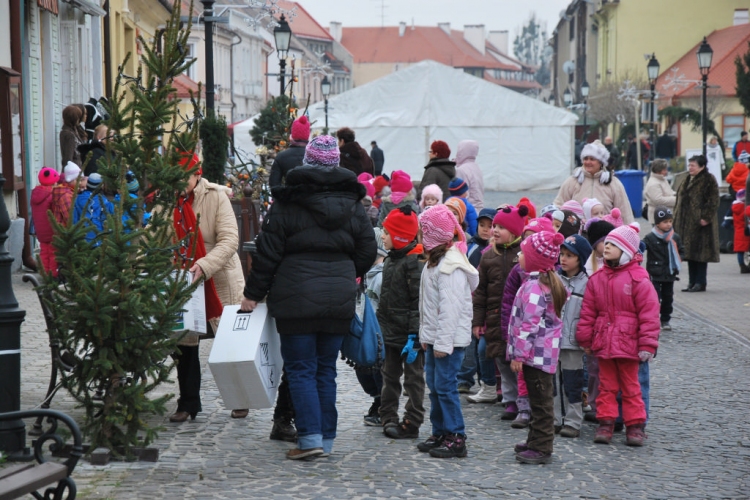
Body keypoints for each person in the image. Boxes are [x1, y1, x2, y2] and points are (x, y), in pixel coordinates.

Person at [241, 135, 377, 460]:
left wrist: (252, 294)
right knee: (325, 369)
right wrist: (347, 272)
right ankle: (325, 439)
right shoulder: (353, 204)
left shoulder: (287, 203)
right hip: (339, 298)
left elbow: (267, 254)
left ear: (307, 162)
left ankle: (310, 439)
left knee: (301, 369)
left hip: (295, 297)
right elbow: (368, 251)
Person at [169, 152, 247, 423]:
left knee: (229, 341)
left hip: (218, 275)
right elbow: (155, 238)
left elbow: (229, 240)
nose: (179, 183)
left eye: (184, 177)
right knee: (184, 342)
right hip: (183, 278)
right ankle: (188, 402)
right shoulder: (167, 201)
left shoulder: (215, 196)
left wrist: (204, 264)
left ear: (197, 174)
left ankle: (240, 397)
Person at [576, 224, 660, 447]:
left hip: (628, 345)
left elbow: (649, 315)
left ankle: (635, 425)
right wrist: (585, 338)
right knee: (606, 386)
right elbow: (588, 312)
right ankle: (606, 422)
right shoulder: (598, 279)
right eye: (607, 243)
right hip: (604, 343)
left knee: (632, 387)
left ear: (626, 250)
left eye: (613, 244)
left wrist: (648, 345)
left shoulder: (639, 279)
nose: (607, 247)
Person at [416, 205, 478, 459]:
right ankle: (440, 430)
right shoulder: (434, 262)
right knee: (434, 385)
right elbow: (427, 305)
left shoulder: (450, 267)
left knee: (445, 387)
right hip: (435, 338)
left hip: (448, 342)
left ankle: (456, 435)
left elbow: (449, 310)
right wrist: (425, 336)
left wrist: (442, 343)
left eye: (422, 231)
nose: (419, 235)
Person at [508, 230, 566, 464]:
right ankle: (534, 440)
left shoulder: (535, 288)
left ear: (535, 260)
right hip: (540, 355)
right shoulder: (537, 283)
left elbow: (528, 325)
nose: (519, 255)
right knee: (537, 399)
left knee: (541, 403)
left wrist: (518, 354)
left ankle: (542, 446)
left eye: (523, 252)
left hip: (535, 356)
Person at [472, 205, 528, 420]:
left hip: (519, 318)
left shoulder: (523, 255)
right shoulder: (488, 257)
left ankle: (524, 400)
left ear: (514, 232)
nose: (494, 230)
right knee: (502, 362)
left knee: (518, 362)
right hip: (495, 317)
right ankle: (510, 400)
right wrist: (478, 321)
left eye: (500, 227)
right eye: (494, 226)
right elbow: (481, 292)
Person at [378, 206, 426, 439]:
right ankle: (387, 416)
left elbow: (418, 302)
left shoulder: (414, 263)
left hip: (408, 335)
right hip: (390, 332)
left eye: (386, 233)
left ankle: (412, 420)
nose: (382, 237)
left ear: (398, 237)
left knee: (413, 379)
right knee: (389, 376)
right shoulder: (392, 259)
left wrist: (415, 335)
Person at [554, 234, 593, 438]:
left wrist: (586, 338)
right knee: (554, 382)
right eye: (562, 254)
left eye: (569, 255)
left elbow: (589, 315)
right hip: (552, 341)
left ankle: (573, 420)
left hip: (573, 342)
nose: (563, 259)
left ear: (581, 259)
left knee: (573, 381)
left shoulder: (587, 284)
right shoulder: (553, 279)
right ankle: (555, 418)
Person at [457, 207, 496, 395]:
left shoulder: (495, 251)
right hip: (469, 301)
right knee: (469, 343)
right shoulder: (470, 247)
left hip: (488, 304)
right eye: (482, 225)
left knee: (483, 343)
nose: (485, 229)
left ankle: (485, 379)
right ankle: (464, 378)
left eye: (490, 226)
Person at [554, 140, 634, 224]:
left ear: (601, 162)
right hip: (577, 234)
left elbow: (624, 212)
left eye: (592, 159)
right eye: (585, 158)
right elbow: (559, 206)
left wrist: (630, 230)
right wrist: (572, 223)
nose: (588, 162)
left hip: (605, 233)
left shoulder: (613, 183)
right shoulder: (572, 181)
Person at [673, 155, 720, 292]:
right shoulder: (686, 178)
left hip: (701, 225)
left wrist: (705, 217)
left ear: (702, 166)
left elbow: (713, 200)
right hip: (686, 224)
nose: (690, 168)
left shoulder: (708, 179)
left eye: (693, 165)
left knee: (700, 255)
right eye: (689, 165)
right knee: (689, 254)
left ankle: (700, 282)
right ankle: (691, 282)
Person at [360, 227, 387, 426]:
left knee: (377, 370)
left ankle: (381, 404)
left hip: (378, 330)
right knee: (364, 369)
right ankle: (377, 399)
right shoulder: (369, 273)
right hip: (368, 328)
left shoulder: (380, 276)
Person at [643, 206, 685, 331]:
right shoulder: (650, 237)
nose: (668, 224)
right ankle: (653, 318)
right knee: (654, 298)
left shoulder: (675, 237)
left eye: (670, 221)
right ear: (657, 223)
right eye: (665, 222)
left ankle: (665, 319)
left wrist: (679, 258)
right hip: (655, 273)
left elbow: (682, 250)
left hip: (669, 274)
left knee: (668, 298)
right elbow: (642, 246)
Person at [31, 167, 61, 276]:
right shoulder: (52, 195)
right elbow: (55, 212)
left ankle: (44, 274)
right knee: (53, 253)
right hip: (51, 229)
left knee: (44, 252)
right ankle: (53, 275)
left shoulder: (35, 194)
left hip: (40, 230)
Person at [72, 172, 114, 245]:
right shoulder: (104, 201)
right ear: (100, 186)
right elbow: (106, 219)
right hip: (99, 238)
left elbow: (74, 218)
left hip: (81, 237)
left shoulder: (78, 199)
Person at [269, 116, 310, 188]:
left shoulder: (281, 156)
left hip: (289, 197)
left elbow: (274, 184)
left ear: (292, 136)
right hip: (313, 198)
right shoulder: (314, 155)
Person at [643, 159, 676, 225]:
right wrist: (676, 200)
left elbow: (668, 192)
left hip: (665, 216)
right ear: (658, 171)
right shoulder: (653, 183)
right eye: (664, 170)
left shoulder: (662, 179)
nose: (666, 172)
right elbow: (658, 200)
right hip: (659, 218)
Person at [454, 140, 484, 210]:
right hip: (479, 208)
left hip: (468, 210)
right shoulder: (476, 167)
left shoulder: (461, 170)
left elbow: (462, 195)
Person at [52, 162, 83, 228]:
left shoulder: (69, 191)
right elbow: (70, 218)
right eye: (77, 180)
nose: (80, 183)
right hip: (66, 233)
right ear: (70, 179)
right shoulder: (66, 196)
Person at [730, 190, 750, 273]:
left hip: (738, 231)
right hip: (746, 231)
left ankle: (742, 265)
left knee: (740, 251)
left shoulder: (735, 206)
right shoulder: (745, 207)